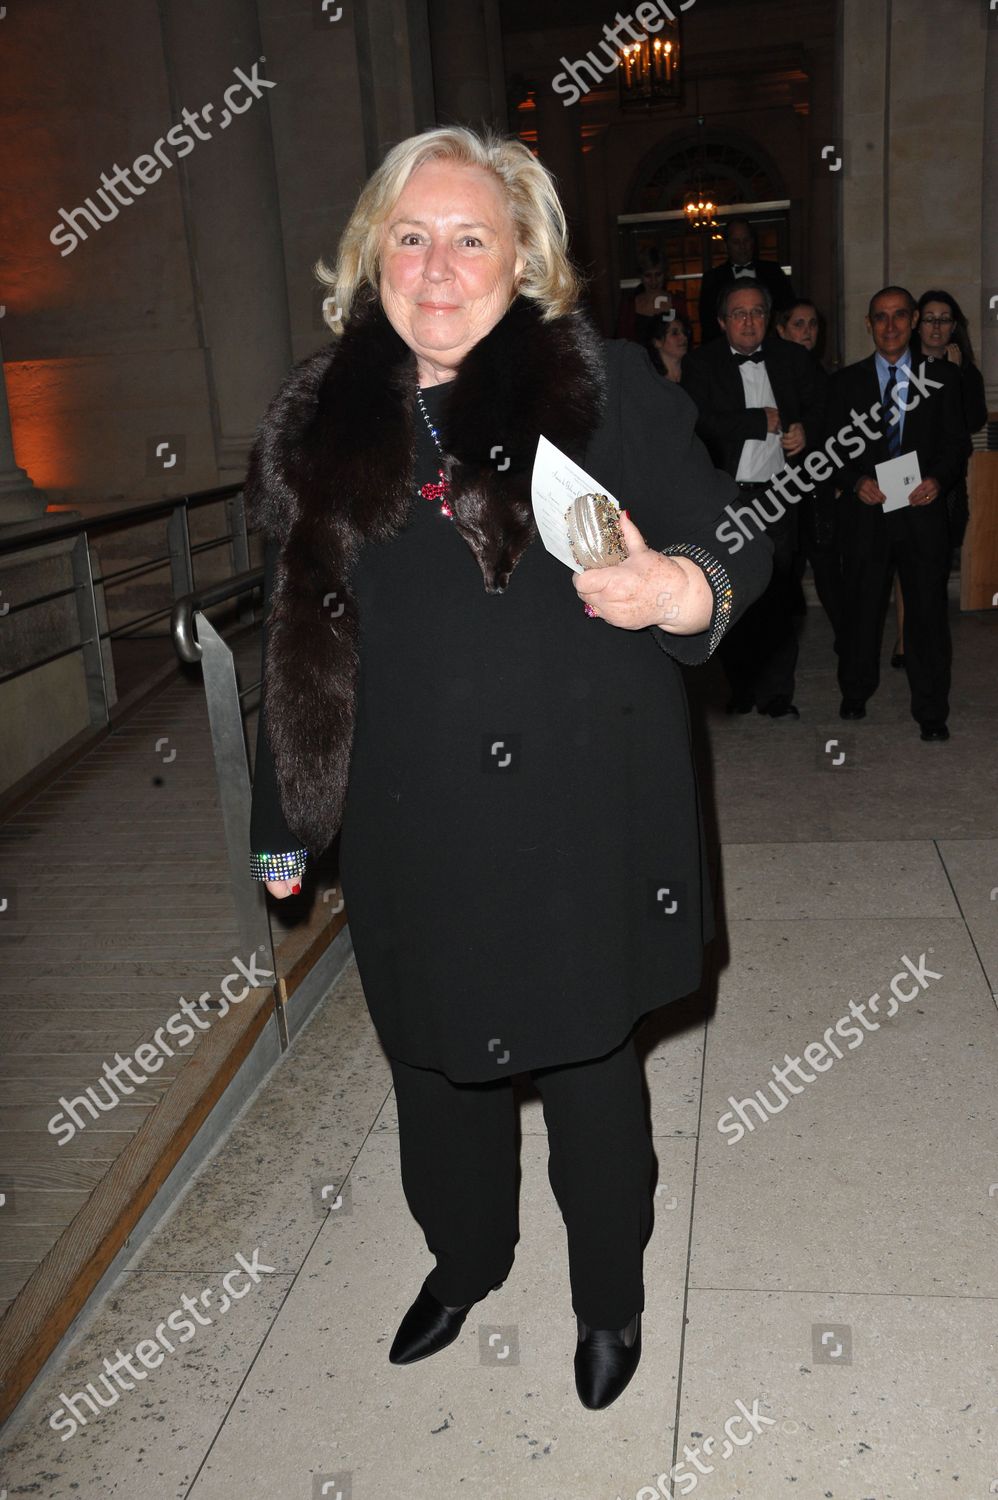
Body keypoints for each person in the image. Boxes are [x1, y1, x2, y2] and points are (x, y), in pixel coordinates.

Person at [244, 125, 771, 1412]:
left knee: (591, 1071)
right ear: (370, 260)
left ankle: (610, 1298)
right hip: (407, 824)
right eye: (409, 238)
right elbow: (300, 639)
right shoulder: (319, 421)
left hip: (580, 818)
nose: (437, 266)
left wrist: (683, 585)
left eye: (470, 237)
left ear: (523, 257)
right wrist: (282, 825)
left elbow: (740, 534)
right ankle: (464, 1258)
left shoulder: (598, 393)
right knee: (433, 1070)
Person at [825, 286, 971, 741]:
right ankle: (855, 690)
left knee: (927, 614)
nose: (890, 326)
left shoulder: (942, 377)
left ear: (912, 322)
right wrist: (854, 482)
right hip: (867, 514)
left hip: (920, 510)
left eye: (899, 316)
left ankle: (931, 710)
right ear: (869, 324)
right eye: (880, 317)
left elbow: (957, 444)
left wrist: (938, 480)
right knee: (861, 609)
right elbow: (827, 450)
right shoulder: (845, 383)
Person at [682, 280, 824, 718]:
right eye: (739, 313)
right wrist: (754, 421)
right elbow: (696, 422)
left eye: (757, 312)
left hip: (780, 494)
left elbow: (825, 407)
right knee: (733, 593)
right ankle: (739, 686)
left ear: (769, 318)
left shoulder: (792, 358)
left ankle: (778, 693)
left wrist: (805, 430)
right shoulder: (701, 364)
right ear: (723, 322)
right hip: (729, 496)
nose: (748, 321)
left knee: (780, 594)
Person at [776, 299, 842, 649]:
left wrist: (836, 480)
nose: (807, 331)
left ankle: (847, 639)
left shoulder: (823, 377)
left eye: (813, 324)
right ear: (782, 330)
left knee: (828, 566)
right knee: (785, 570)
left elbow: (837, 435)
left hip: (817, 486)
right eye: (798, 324)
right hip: (777, 490)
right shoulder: (771, 372)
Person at [696, 218, 795, 344]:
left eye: (746, 240)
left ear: (753, 242)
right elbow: (708, 322)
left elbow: (787, 309)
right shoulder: (713, 278)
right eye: (736, 242)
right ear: (726, 245)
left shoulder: (773, 271)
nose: (742, 246)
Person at [615, 246, 688, 345]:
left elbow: (684, 339)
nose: (653, 281)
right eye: (648, 275)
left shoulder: (676, 303)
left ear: (665, 274)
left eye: (658, 275)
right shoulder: (629, 306)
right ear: (640, 275)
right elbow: (622, 343)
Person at [648, 311, 691, 382]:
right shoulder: (651, 379)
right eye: (675, 333)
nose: (684, 337)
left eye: (685, 332)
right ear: (657, 342)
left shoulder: (696, 373)